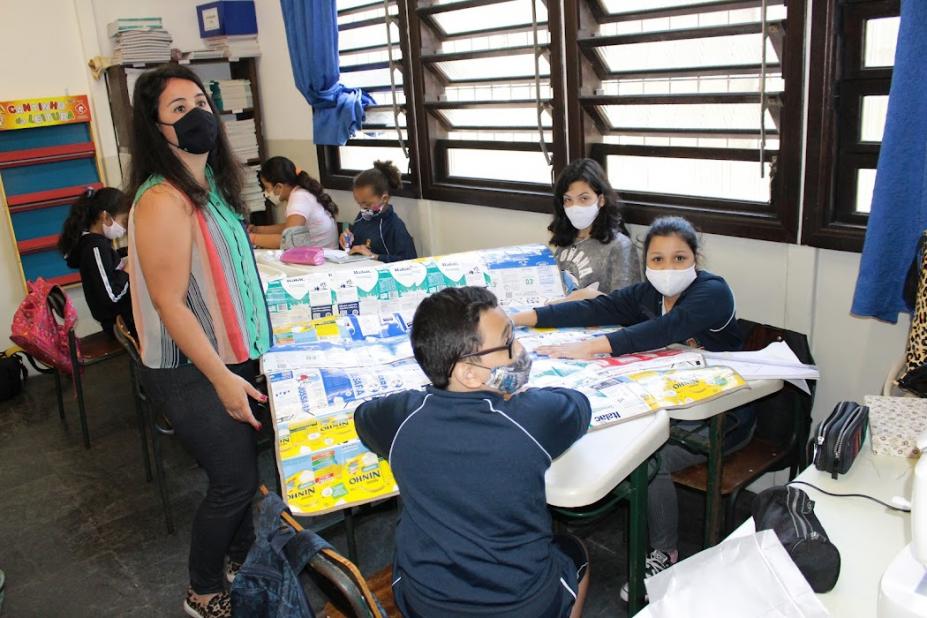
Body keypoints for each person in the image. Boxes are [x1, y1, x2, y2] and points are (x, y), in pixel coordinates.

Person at [512, 216, 750, 601]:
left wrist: (591, 347)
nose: (667, 269)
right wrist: (521, 319)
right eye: (657, 260)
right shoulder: (646, 295)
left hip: (719, 417)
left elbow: (663, 330)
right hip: (666, 406)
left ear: (695, 258)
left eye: (678, 258)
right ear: (645, 263)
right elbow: (594, 309)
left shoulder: (713, 292)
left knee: (646, 459)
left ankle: (666, 553)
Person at [126, 64, 272, 618]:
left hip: (229, 357)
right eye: (178, 109)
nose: (196, 116)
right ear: (157, 128)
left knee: (240, 473)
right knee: (234, 483)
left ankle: (239, 559)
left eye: (199, 102)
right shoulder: (164, 199)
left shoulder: (210, 187)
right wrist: (224, 380)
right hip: (192, 368)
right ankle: (203, 589)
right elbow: (170, 303)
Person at [355, 286, 591, 618]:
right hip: (522, 605)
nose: (520, 349)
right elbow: (579, 405)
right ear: (468, 373)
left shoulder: (402, 417)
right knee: (575, 551)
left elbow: (363, 417)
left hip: (423, 601)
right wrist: (516, 394)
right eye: (508, 343)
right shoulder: (531, 417)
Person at [549, 158, 640, 301]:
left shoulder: (619, 246)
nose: (575, 206)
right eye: (568, 200)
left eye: (584, 198)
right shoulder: (565, 241)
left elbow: (627, 306)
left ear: (601, 199)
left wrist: (591, 297)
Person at [58, 186, 133, 336]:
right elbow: (110, 297)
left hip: (122, 318)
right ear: (105, 217)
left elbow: (108, 262)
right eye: (123, 221)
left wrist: (128, 252)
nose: (124, 229)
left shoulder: (95, 243)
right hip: (121, 323)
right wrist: (126, 271)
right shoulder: (95, 248)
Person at [248, 156, 338, 250]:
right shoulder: (302, 192)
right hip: (321, 255)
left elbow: (288, 241)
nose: (266, 194)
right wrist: (258, 230)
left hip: (323, 260)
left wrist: (251, 238)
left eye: (267, 188)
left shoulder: (299, 198)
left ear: (279, 186)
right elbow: (290, 228)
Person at [338, 160, 416, 262]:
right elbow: (356, 246)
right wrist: (347, 239)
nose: (362, 208)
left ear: (384, 198)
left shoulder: (394, 226)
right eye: (359, 203)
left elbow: (410, 261)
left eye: (367, 204)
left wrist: (373, 256)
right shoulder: (363, 215)